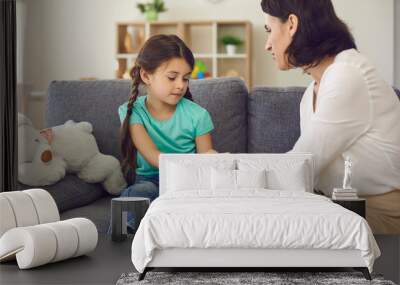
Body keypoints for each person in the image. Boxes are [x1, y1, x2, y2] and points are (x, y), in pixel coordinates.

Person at [261, 0, 400, 234]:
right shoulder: (312, 92)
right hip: (339, 207)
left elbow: (302, 165)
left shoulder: (347, 74)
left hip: (381, 212)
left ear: (292, 24)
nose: (267, 45)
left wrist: (238, 181)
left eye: (269, 30)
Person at [117, 34, 217, 231]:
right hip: (149, 180)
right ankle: (126, 237)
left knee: (192, 200)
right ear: (146, 76)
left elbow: (206, 160)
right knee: (140, 192)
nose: (180, 85)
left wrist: (211, 159)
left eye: (185, 78)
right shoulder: (132, 112)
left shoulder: (198, 115)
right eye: (172, 77)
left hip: (187, 182)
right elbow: (153, 156)